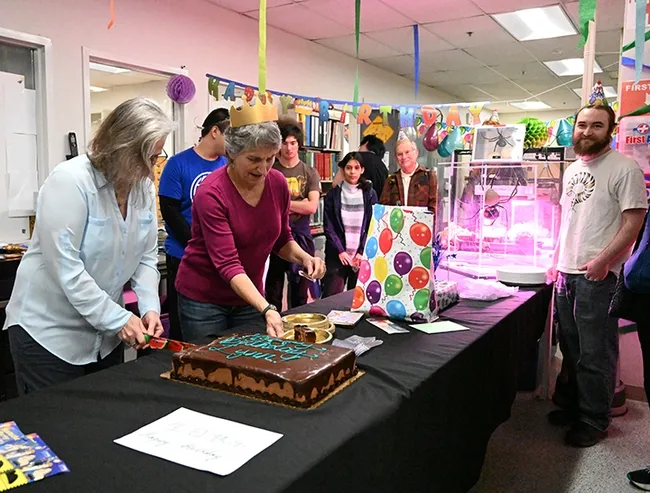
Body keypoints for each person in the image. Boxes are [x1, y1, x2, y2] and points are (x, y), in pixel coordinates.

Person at [4, 97, 172, 394]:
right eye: (145, 158)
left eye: (156, 157)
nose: (150, 171)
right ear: (120, 148)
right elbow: (67, 270)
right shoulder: (70, 181)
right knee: (55, 430)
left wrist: (149, 309)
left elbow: (146, 257)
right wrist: (118, 318)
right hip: (49, 334)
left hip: (104, 338)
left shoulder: (142, 186)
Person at [175, 102, 325, 342]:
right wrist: (266, 308)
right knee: (211, 369)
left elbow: (282, 238)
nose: (263, 168)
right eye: (254, 159)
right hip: (204, 301)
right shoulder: (211, 194)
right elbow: (228, 264)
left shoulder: (277, 184)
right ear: (232, 154)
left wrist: (305, 258)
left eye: (270, 158)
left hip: (249, 296)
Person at [546, 102, 647, 447]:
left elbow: (633, 221)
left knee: (596, 353)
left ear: (611, 130)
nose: (586, 131)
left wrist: (604, 261)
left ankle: (594, 418)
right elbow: (567, 221)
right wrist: (556, 259)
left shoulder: (624, 168)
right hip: (566, 273)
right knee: (572, 350)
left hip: (598, 276)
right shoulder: (572, 168)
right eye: (582, 124)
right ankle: (577, 407)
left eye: (596, 126)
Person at [158, 109, 229, 340]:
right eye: (231, 135)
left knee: (217, 325)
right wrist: (200, 245)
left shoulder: (228, 165)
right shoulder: (177, 164)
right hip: (184, 255)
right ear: (215, 131)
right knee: (184, 326)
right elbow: (170, 212)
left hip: (220, 258)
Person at [264, 117, 321, 310]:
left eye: (293, 143)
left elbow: (312, 207)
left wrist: (283, 204)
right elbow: (265, 205)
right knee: (273, 290)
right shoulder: (270, 170)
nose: (289, 148)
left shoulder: (309, 172)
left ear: (299, 145)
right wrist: (300, 204)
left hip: (302, 234)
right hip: (274, 233)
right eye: (285, 143)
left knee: (300, 289)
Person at [323, 152, 378, 296]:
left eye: (356, 167)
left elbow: (372, 225)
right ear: (343, 170)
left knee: (357, 299)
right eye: (348, 168)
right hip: (337, 255)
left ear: (362, 170)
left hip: (361, 257)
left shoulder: (370, 194)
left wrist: (361, 252)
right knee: (331, 297)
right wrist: (340, 250)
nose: (352, 171)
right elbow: (329, 227)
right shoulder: (333, 195)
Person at [380, 134, 437, 214]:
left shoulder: (429, 176)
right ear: (396, 157)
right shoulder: (391, 180)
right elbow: (384, 209)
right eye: (400, 154)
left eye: (407, 152)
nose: (404, 157)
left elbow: (434, 207)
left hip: (421, 225)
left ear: (416, 153)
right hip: (398, 226)